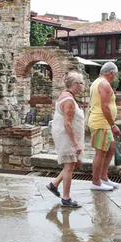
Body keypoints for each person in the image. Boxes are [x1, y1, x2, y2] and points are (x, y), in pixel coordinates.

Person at [47, 72, 86, 207]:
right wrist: (75, 143)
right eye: (81, 83)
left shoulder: (68, 96)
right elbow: (67, 123)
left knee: (76, 163)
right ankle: (66, 199)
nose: (83, 85)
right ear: (74, 85)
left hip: (69, 135)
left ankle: (54, 184)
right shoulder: (68, 100)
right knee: (69, 165)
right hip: (67, 137)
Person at [88, 62, 121, 191]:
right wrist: (113, 125)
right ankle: (96, 182)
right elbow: (104, 106)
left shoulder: (97, 82)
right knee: (100, 152)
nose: (115, 77)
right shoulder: (105, 84)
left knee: (111, 148)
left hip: (103, 123)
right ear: (111, 73)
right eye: (115, 75)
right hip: (101, 123)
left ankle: (103, 177)